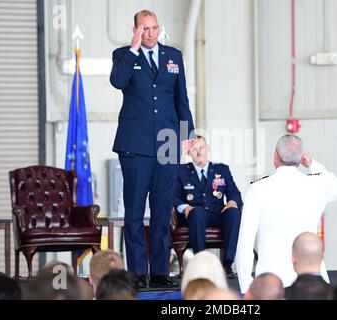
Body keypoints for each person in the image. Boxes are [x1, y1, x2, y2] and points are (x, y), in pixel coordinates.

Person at [110, 10, 195, 289]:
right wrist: (133, 50)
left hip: (169, 142)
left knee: (161, 210)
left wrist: (187, 135)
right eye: (144, 29)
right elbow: (118, 81)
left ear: (160, 29)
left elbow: (182, 98)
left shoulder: (174, 56)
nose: (150, 34)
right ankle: (136, 274)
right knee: (134, 212)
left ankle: (159, 272)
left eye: (154, 28)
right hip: (135, 144)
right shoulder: (123, 55)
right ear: (135, 30)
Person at [235, 134, 337, 293]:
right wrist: (312, 164)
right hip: (311, 282)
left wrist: (246, 288)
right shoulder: (317, 184)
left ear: (275, 156)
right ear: (301, 157)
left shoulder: (258, 189)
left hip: (271, 284)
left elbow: (245, 242)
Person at [174, 136, 242, 278]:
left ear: (208, 149)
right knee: (197, 212)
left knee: (234, 213)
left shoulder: (221, 170)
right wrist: (184, 207)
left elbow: (234, 193)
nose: (199, 152)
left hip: (218, 213)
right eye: (194, 149)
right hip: (194, 216)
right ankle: (200, 264)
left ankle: (228, 265)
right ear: (188, 153)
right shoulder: (181, 171)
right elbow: (172, 196)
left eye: (202, 148)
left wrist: (232, 202)